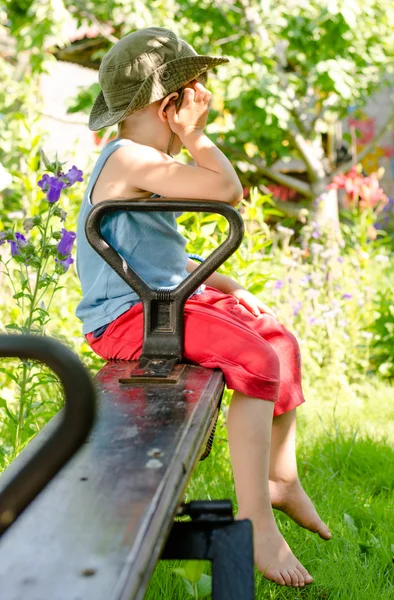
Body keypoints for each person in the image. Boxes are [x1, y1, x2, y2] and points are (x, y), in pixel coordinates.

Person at [76, 26, 332, 588]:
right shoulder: (127, 158)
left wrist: (231, 284)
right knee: (258, 363)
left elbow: (154, 250)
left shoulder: (136, 159)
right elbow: (226, 190)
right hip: (131, 320)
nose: (198, 108)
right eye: (191, 97)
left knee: (279, 340)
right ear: (170, 105)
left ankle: (280, 480)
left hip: (158, 302)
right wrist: (196, 137)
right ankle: (256, 523)